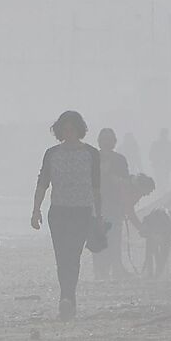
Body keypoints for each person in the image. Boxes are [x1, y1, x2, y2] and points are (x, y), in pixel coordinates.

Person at [30, 110, 102, 320]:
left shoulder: (91, 154)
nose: (68, 133)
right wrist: (35, 210)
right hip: (59, 212)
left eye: (72, 129)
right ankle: (66, 298)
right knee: (62, 257)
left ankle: (68, 297)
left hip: (82, 211)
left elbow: (97, 187)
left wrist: (99, 215)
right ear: (60, 131)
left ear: (79, 130)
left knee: (74, 255)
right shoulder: (52, 154)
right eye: (65, 129)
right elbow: (43, 183)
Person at [94, 128, 135, 277]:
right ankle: (100, 270)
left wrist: (115, 179)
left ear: (114, 141)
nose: (107, 142)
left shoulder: (120, 159)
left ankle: (117, 267)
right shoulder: (94, 158)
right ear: (99, 141)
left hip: (115, 203)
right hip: (97, 205)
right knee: (99, 238)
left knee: (115, 237)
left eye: (110, 139)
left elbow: (126, 181)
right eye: (104, 139)